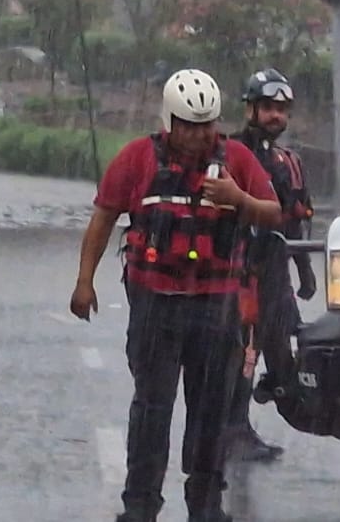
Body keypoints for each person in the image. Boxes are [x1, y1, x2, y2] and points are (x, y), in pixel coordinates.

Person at [70, 69, 283, 522]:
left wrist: (238, 197)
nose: (197, 135)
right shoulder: (136, 159)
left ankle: (205, 505)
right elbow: (102, 219)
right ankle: (140, 506)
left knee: (210, 411)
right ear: (169, 121)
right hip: (156, 306)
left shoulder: (238, 160)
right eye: (188, 126)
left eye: (206, 125)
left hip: (215, 308)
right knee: (152, 409)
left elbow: (273, 214)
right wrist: (84, 282)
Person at [224, 68, 319, 462]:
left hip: (277, 274)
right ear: (250, 109)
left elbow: (295, 219)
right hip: (242, 271)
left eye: (281, 109)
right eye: (267, 107)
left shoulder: (288, 161)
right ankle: (233, 429)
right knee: (244, 350)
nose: (275, 115)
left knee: (283, 351)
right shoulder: (230, 153)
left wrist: (306, 272)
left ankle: (272, 393)